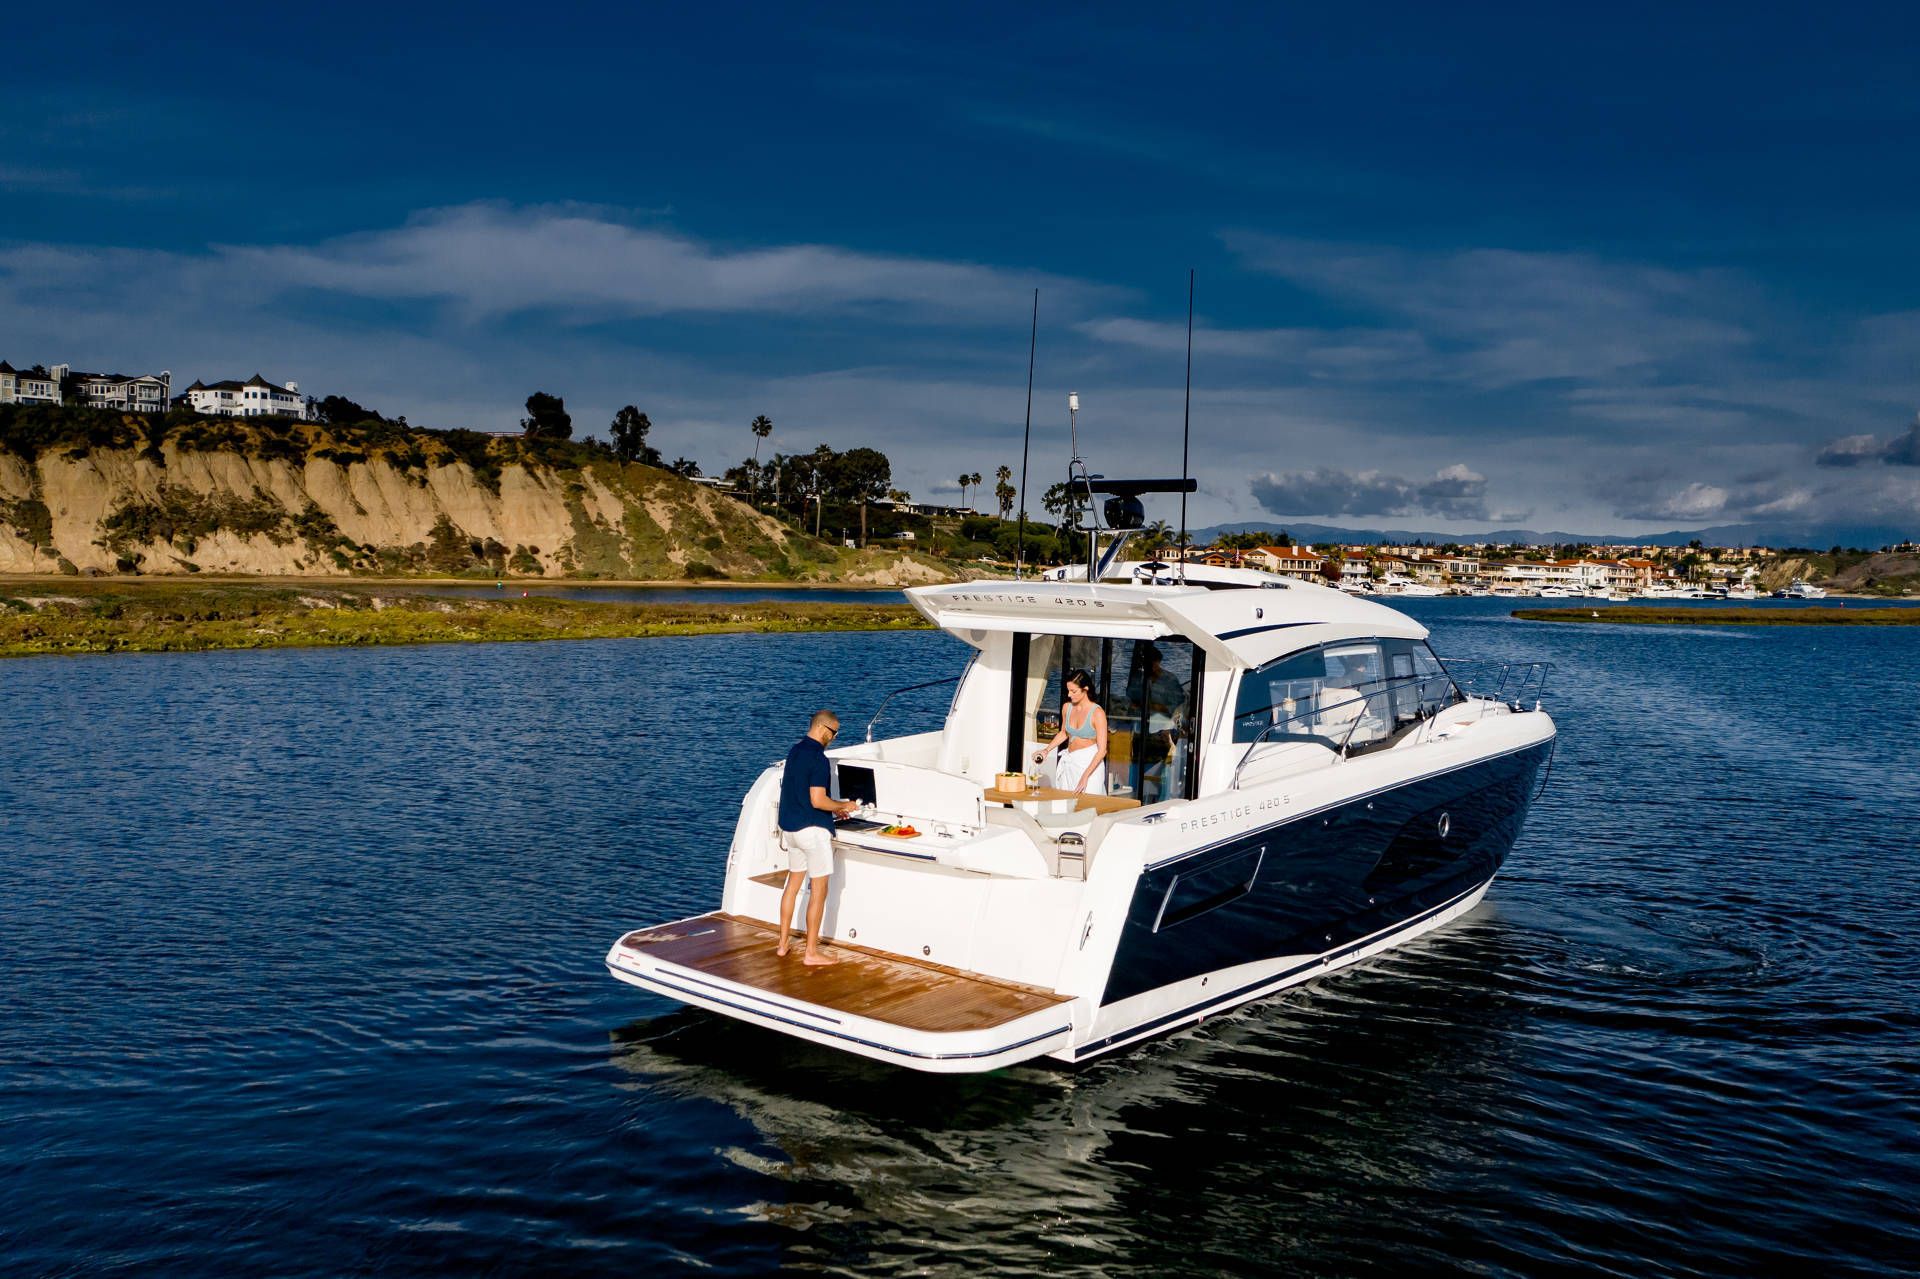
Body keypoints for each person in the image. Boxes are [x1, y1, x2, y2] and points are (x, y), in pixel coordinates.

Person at [776, 709, 860, 965]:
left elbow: (801, 794)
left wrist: (835, 808)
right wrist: (844, 805)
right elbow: (817, 799)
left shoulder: (795, 751)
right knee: (819, 890)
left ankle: (782, 945)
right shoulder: (819, 759)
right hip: (812, 833)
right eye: (834, 733)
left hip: (790, 830)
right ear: (824, 729)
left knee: (792, 885)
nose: (833, 738)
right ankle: (811, 953)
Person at [1031, 669, 1108, 795]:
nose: (1069, 694)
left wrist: (1085, 776)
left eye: (1073, 691)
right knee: (1067, 806)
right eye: (1068, 690)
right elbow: (1064, 733)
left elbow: (1102, 750)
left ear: (1086, 689)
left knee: (1089, 807)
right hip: (1071, 762)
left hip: (1090, 766)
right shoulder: (1067, 707)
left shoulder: (1097, 713)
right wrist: (1046, 750)